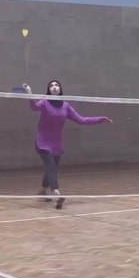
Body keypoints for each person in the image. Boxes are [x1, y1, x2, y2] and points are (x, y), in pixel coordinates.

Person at [22, 80, 111, 209]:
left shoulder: (66, 106)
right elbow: (34, 107)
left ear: (60, 89)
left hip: (56, 144)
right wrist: (29, 92)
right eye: (51, 85)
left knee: (51, 168)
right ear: (49, 90)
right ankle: (56, 195)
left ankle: (43, 189)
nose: (54, 87)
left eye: (56, 85)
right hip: (43, 142)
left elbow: (82, 120)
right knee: (51, 166)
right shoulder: (45, 103)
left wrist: (100, 119)